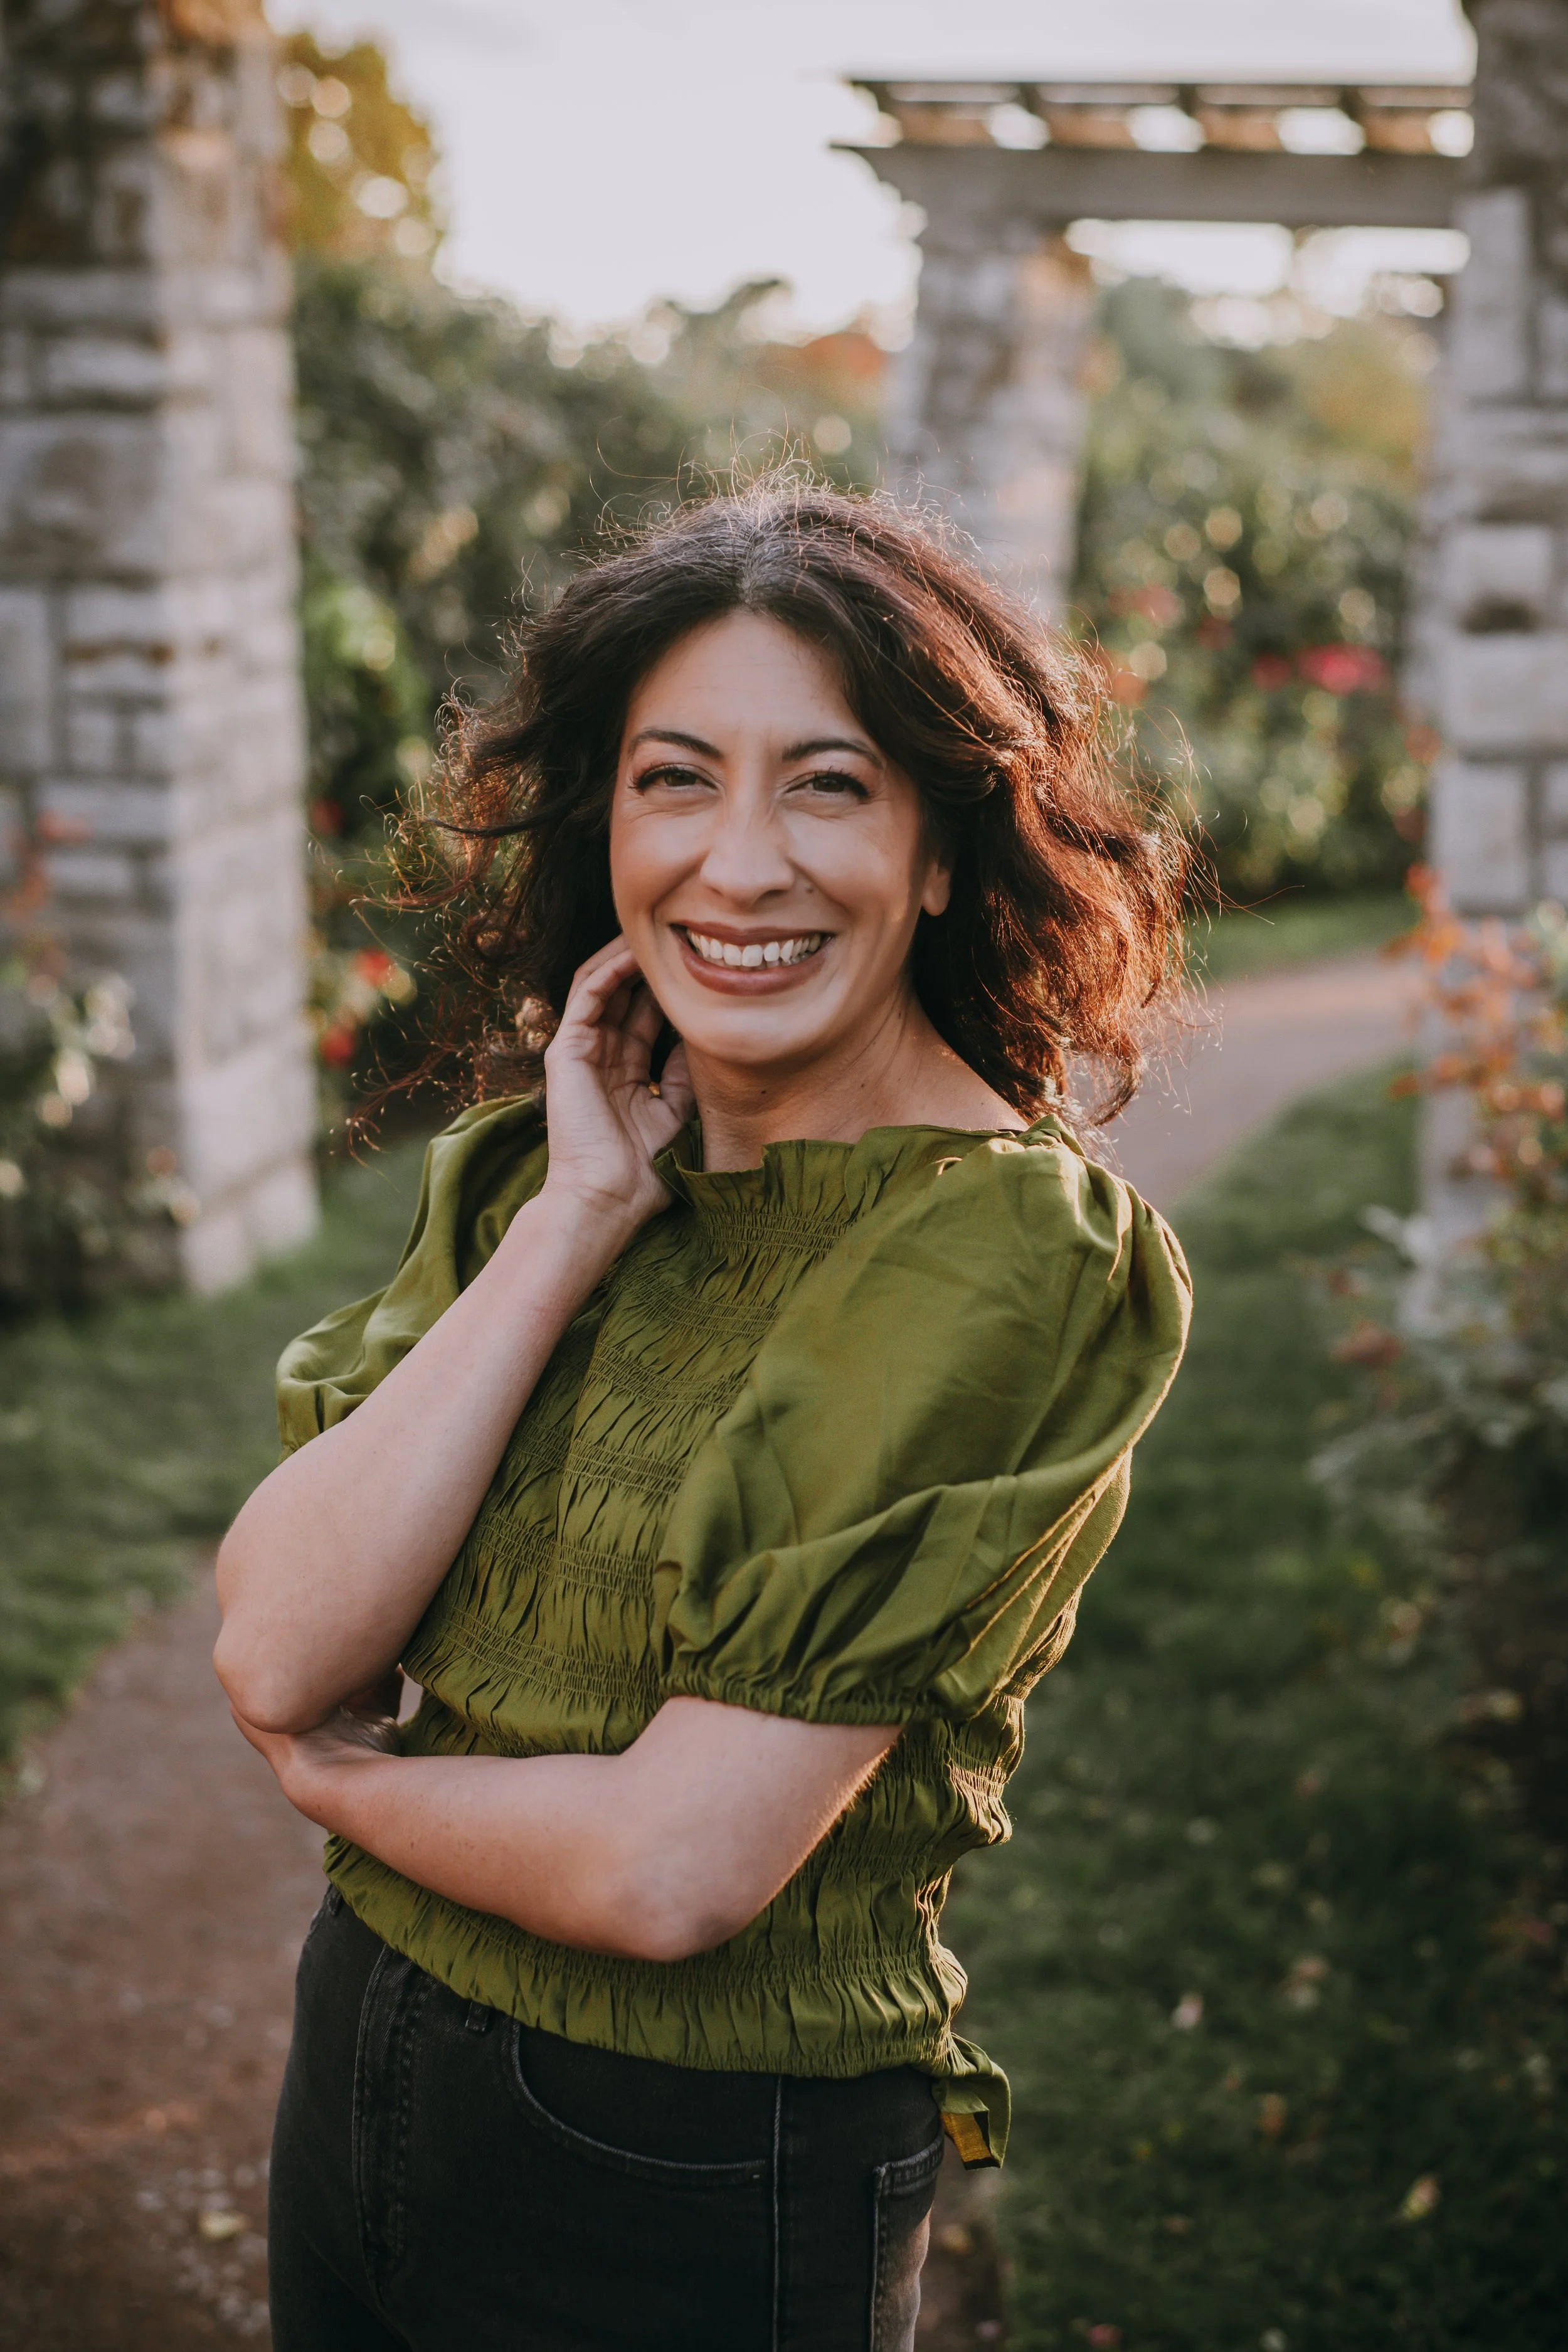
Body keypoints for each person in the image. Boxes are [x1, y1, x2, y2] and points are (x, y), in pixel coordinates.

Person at [215, 478, 1192, 2352]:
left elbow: (672, 1868)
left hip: (678, 2160)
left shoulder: (999, 1249)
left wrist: (346, 1781)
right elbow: (278, 1635)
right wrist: (581, 1217)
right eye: (678, 778)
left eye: (825, 784)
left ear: (935, 846)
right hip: (359, 2044)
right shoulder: (544, 1171)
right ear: (612, 821)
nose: (738, 863)